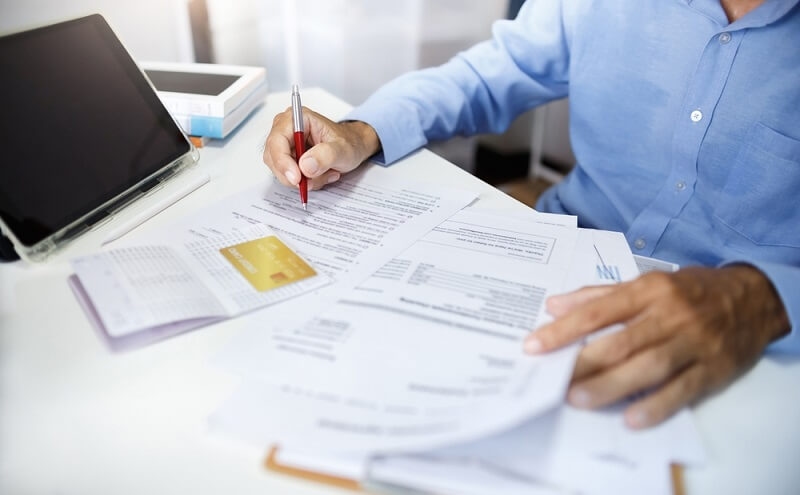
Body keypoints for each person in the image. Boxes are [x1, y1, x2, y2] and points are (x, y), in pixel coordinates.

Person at [263, 0, 799, 429]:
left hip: (755, 353)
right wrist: (361, 132)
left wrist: (764, 299)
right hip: (552, 272)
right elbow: (489, 74)